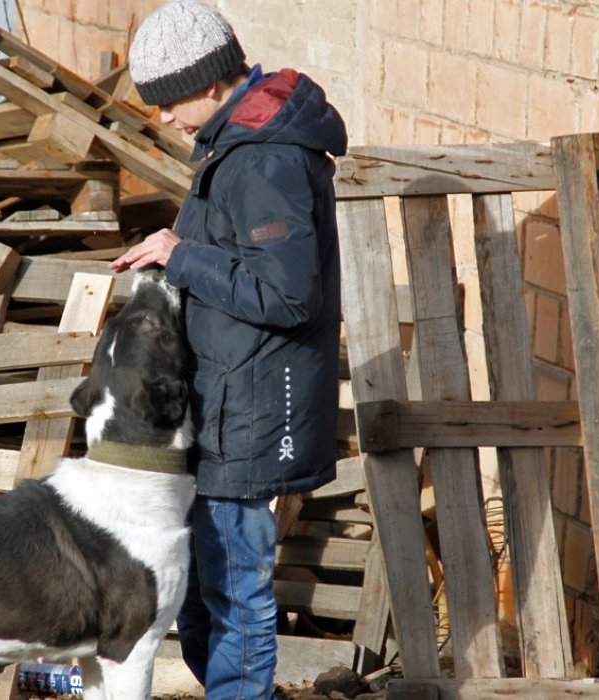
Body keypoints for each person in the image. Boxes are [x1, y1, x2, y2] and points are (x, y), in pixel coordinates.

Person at [109, 1, 347, 697]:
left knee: (234, 594)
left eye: (165, 102)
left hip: (252, 406)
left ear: (210, 83)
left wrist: (183, 256)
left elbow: (288, 295)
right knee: (199, 593)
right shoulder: (236, 143)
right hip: (222, 397)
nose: (162, 119)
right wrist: (170, 252)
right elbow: (238, 258)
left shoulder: (265, 158)